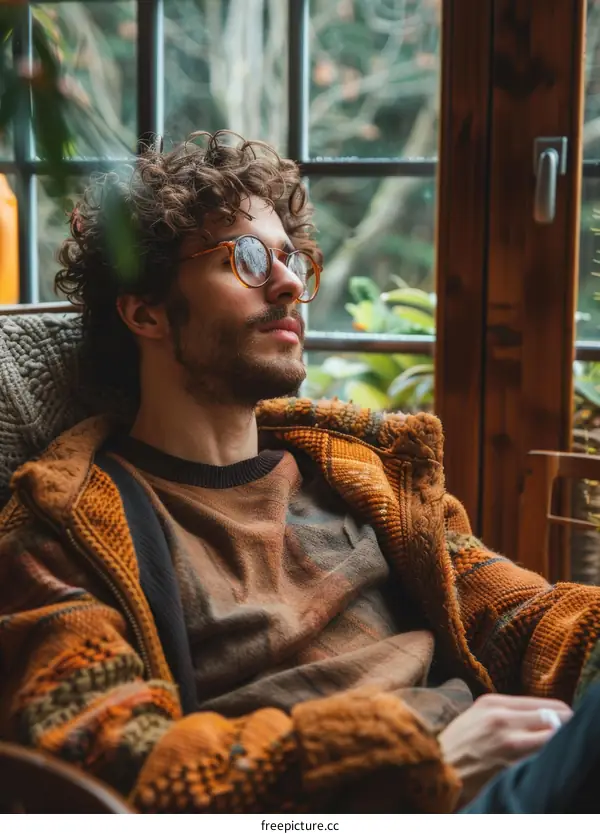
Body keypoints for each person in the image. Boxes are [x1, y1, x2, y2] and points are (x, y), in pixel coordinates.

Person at [0, 130, 598, 814]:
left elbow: (516, 614)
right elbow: (106, 759)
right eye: (247, 258)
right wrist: (419, 761)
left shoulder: (364, 476)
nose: (288, 282)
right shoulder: (63, 535)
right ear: (146, 311)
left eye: (290, 258)